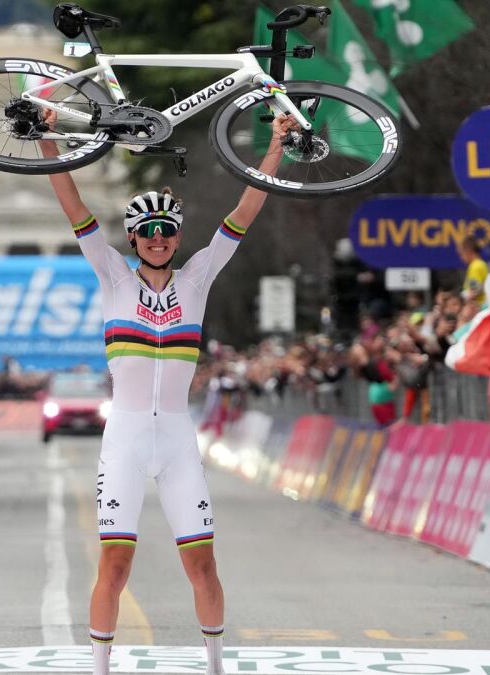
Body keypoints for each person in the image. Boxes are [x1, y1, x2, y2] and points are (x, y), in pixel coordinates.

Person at [39, 109, 299, 675]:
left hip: (178, 440)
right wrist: (47, 142)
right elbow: (74, 207)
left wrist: (275, 147)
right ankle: (99, 669)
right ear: (133, 238)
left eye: (167, 230)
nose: (158, 239)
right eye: (148, 232)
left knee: (203, 567)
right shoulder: (113, 275)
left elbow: (244, 212)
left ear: (178, 236)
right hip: (126, 439)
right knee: (114, 567)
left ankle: (216, 666)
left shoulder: (197, 278)